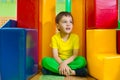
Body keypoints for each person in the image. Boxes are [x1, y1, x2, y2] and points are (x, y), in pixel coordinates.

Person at [41, 11, 87, 77]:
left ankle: (56, 72)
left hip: (70, 61)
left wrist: (65, 63)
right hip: (59, 61)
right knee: (45, 61)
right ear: (58, 26)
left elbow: (74, 55)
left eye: (71, 22)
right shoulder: (54, 38)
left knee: (82, 60)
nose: (68, 24)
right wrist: (62, 63)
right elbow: (55, 56)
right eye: (65, 22)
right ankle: (73, 72)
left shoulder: (75, 37)